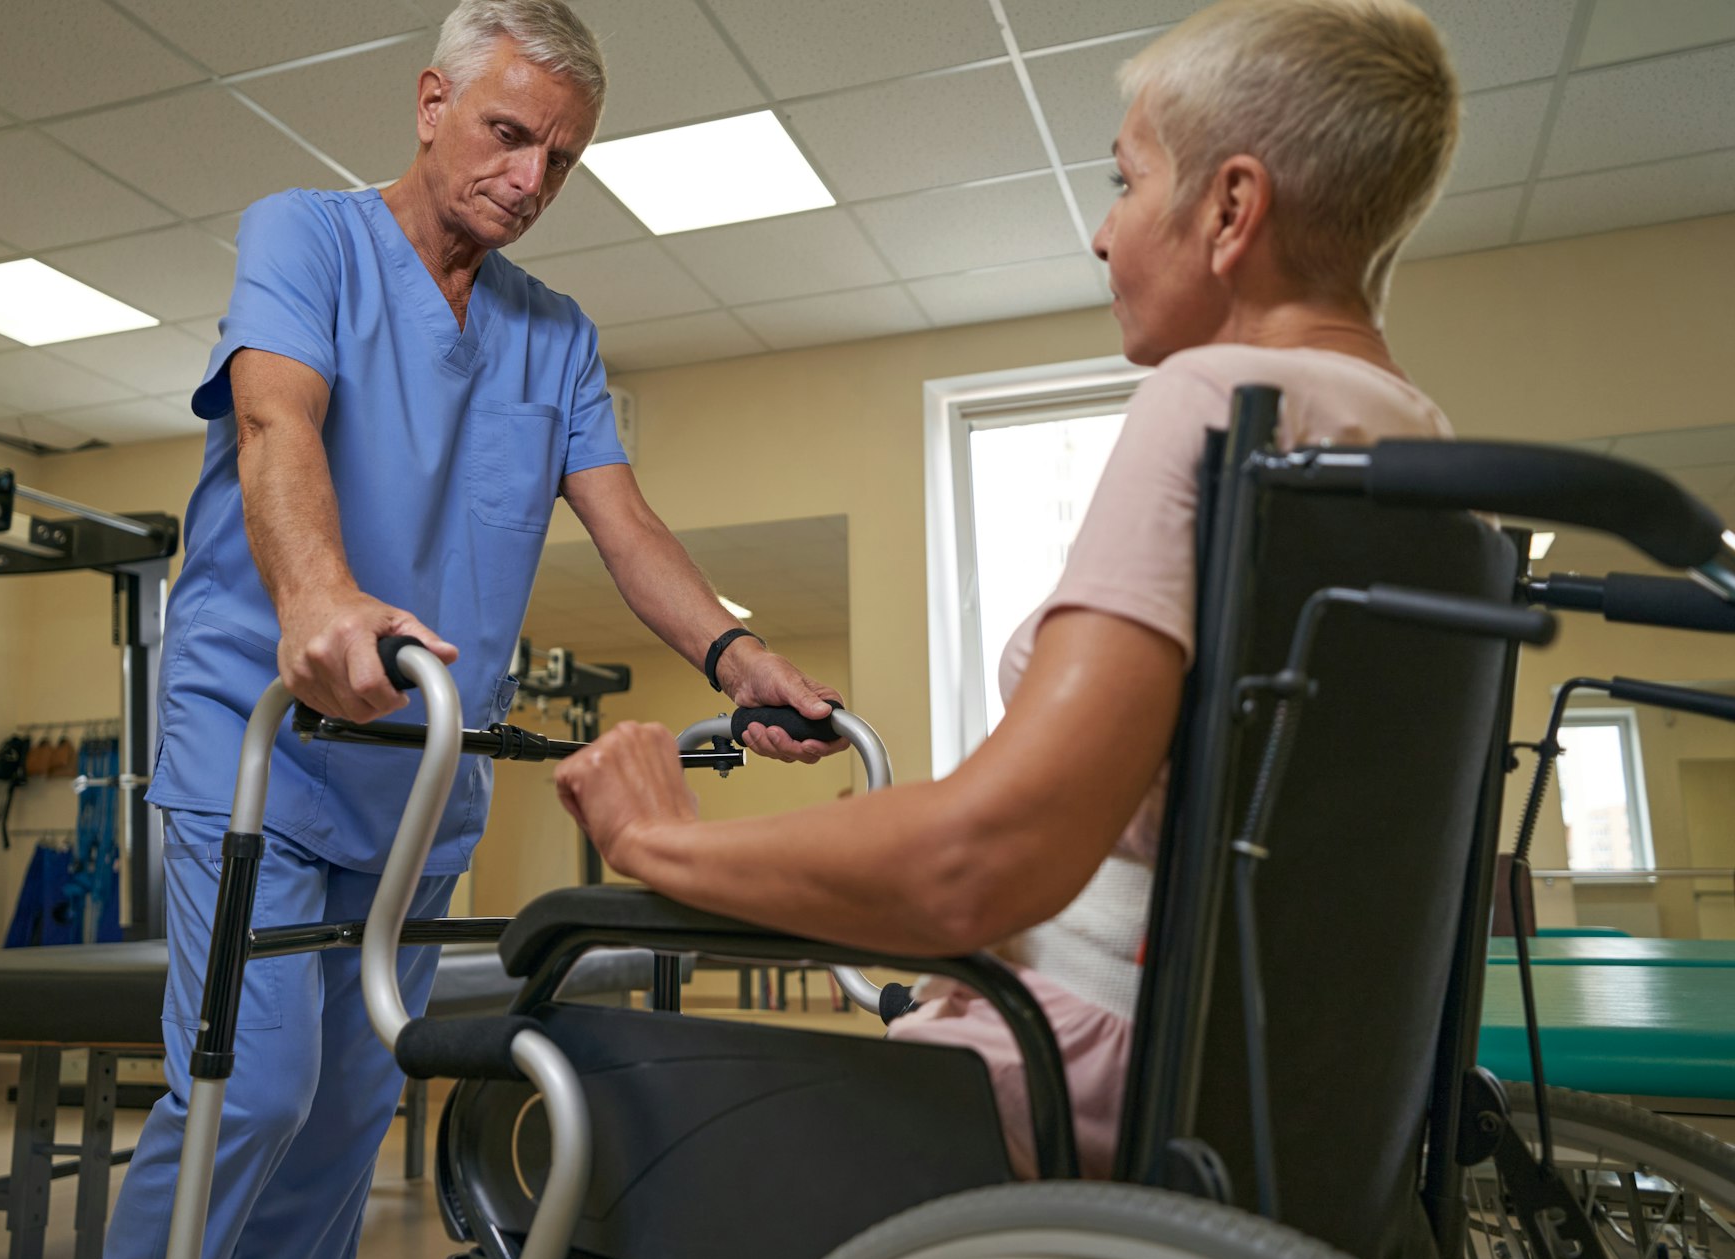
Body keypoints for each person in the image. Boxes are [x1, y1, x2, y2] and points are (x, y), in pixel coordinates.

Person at [554, 0, 1461, 1181]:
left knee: (600, 1147)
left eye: (1126, 181)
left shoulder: (1217, 406)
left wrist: (657, 838)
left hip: (1077, 1079)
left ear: (1231, 209)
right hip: (1274, 1100)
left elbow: (981, 862)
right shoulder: (1422, 452)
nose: (1101, 232)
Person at [81, 2, 845, 1259]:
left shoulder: (555, 334)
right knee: (255, 1088)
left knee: (349, 1114)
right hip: (262, 748)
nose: (531, 178)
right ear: (432, 103)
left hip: (418, 781)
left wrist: (734, 656)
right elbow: (274, 421)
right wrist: (319, 599)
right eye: (507, 133)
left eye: (562, 158)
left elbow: (624, 522)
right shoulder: (306, 237)